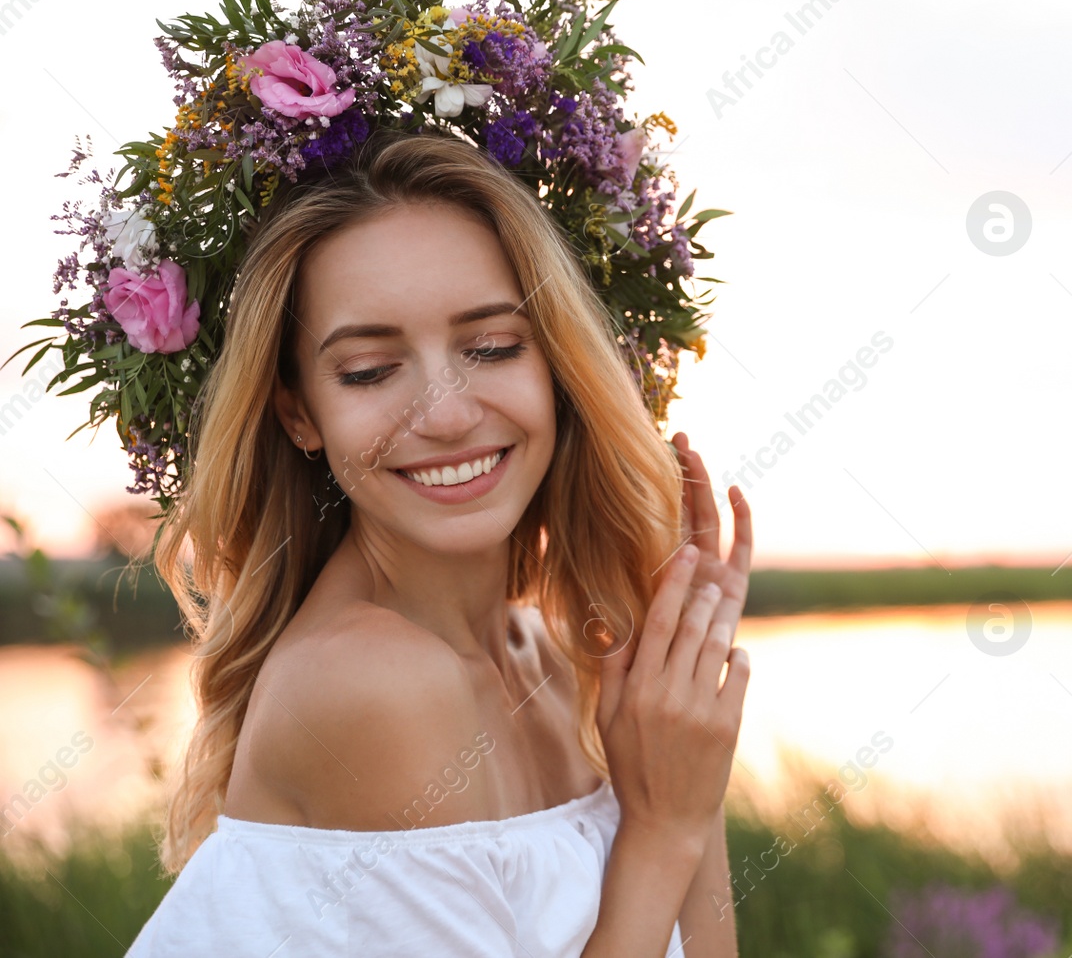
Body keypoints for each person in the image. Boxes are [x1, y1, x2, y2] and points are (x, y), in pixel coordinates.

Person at [124, 128, 754, 956]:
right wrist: (665, 829)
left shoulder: (551, 655)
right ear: (300, 413)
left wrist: (682, 725)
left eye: (491, 347)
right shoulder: (369, 685)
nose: (448, 413)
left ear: (560, 369)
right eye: (370, 370)